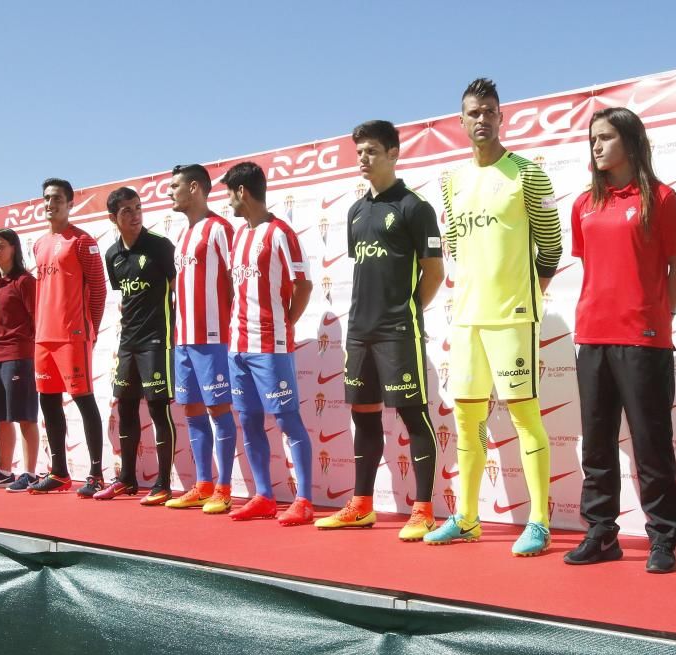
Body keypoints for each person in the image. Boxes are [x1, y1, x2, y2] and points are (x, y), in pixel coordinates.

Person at [425, 78, 563, 556]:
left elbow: (552, 243)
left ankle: (540, 521)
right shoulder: (451, 181)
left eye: (489, 111)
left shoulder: (527, 173)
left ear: (501, 117)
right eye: (472, 113)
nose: (481, 119)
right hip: (466, 320)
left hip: (513, 318)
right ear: (461, 122)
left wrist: (528, 294)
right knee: (466, 418)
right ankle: (466, 519)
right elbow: (458, 246)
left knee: (525, 415)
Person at [563, 108, 676, 573]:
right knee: (596, 444)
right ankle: (601, 534)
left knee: (652, 444)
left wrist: (661, 315)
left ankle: (663, 538)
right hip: (592, 335)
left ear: (631, 143)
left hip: (644, 339)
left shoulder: (661, 197)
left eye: (606, 137)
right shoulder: (583, 204)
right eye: (592, 138)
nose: (595, 146)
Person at [314, 120, 445, 540]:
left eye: (371, 151)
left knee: (412, 415)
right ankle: (362, 506)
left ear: (393, 153)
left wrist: (404, 313)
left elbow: (434, 272)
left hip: (397, 332)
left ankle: (423, 510)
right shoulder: (356, 211)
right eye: (359, 153)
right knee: (363, 417)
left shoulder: (413, 207)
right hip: (359, 334)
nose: (363, 160)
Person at [220, 161, 315, 526]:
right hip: (237, 347)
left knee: (288, 419)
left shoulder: (281, 233)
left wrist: (285, 323)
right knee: (248, 419)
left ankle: (304, 499)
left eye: (229, 192)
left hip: (270, 346)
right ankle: (264, 495)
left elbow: (303, 285)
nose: (228, 200)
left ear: (242, 192)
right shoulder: (239, 236)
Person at [95, 187, 178, 505]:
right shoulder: (112, 255)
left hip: (158, 340)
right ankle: (127, 479)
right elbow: (124, 295)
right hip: (127, 342)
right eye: (126, 210)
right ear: (112, 217)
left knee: (158, 409)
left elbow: (176, 290)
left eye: (137, 207)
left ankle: (163, 483)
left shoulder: (160, 246)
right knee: (126, 407)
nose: (134, 215)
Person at [163, 164, 238, 514]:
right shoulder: (182, 235)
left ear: (194, 188)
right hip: (183, 339)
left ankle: (224, 487)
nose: (169, 192)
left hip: (213, 337)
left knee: (218, 409)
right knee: (191, 410)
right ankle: (203, 483)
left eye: (174, 186)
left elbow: (235, 281)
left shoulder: (220, 229)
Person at [28, 178, 108, 496]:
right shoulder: (38, 244)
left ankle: (96, 474)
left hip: (73, 335)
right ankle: (59, 472)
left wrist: (91, 329)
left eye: (57, 198)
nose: (50, 204)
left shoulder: (82, 240)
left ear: (70, 203)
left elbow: (99, 289)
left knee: (84, 401)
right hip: (43, 337)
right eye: (46, 198)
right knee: (48, 402)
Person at [0, 229, 41, 491]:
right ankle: (4, 471)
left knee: (24, 416)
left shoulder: (25, 281)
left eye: (0, 246)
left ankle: (31, 474)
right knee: (1, 416)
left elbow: (37, 320)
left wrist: (33, 352)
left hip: (19, 355)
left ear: (14, 248)